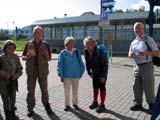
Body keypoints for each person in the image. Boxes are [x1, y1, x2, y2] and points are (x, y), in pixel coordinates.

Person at [22, 26, 53, 117]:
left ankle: (47, 106)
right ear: (33, 33)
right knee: (30, 90)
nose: (37, 34)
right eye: (35, 32)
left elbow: (49, 58)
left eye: (39, 32)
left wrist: (46, 55)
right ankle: (30, 109)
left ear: (41, 34)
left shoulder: (45, 44)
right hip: (31, 71)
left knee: (44, 90)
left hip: (42, 70)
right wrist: (27, 56)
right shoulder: (28, 44)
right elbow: (23, 57)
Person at [128, 22, 159, 112]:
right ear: (134, 30)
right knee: (136, 86)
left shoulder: (148, 39)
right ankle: (138, 104)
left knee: (148, 86)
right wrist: (131, 55)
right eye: (136, 28)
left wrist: (146, 53)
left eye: (139, 28)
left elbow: (157, 52)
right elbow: (129, 54)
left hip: (147, 65)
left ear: (143, 29)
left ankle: (151, 104)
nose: (137, 30)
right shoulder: (133, 42)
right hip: (136, 66)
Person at [57, 36, 85, 111]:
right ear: (66, 44)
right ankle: (67, 105)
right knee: (67, 91)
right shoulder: (62, 53)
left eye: (73, 43)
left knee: (75, 90)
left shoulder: (76, 51)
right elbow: (60, 64)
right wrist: (61, 75)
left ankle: (75, 103)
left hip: (76, 74)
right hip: (66, 75)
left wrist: (81, 71)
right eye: (70, 43)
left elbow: (80, 62)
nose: (72, 45)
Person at [83, 36, 108, 113]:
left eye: (88, 45)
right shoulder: (86, 51)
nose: (87, 46)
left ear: (93, 44)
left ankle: (102, 105)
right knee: (95, 87)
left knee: (102, 87)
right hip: (94, 73)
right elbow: (87, 62)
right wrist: (89, 72)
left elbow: (105, 64)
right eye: (86, 45)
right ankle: (95, 102)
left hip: (101, 72)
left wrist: (103, 76)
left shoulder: (100, 51)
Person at [0, 40, 23, 120]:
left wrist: (16, 75)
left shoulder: (16, 57)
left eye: (13, 48)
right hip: (3, 83)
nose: (12, 50)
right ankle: (8, 117)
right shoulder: (1, 58)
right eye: (9, 48)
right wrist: (3, 73)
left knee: (13, 99)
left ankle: (13, 116)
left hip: (13, 82)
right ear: (5, 48)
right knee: (6, 101)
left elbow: (20, 69)